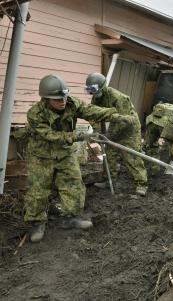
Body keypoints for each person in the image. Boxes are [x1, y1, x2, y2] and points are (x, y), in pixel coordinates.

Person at [25, 74, 130, 242]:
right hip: (41, 155)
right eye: (57, 99)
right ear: (46, 99)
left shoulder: (72, 103)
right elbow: (51, 135)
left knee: (73, 183)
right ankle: (37, 223)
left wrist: (113, 115)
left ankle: (70, 218)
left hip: (64, 153)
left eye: (64, 96)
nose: (62, 101)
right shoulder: (35, 114)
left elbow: (90, 111)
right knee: (38, 190)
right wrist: (77, 136)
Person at [85, 73, 148, 196]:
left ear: (102, 87)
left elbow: (123, 121)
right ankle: (109, 180)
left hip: (129, 129)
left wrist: (109, 135)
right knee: (109, 154)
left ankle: (142, 184)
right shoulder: (96, 98)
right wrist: (98, 131)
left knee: (132, 156)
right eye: (90, 90)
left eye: (94, 90)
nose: (93, 93)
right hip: (114, 127)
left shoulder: (119, 98)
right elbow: (94, 115)